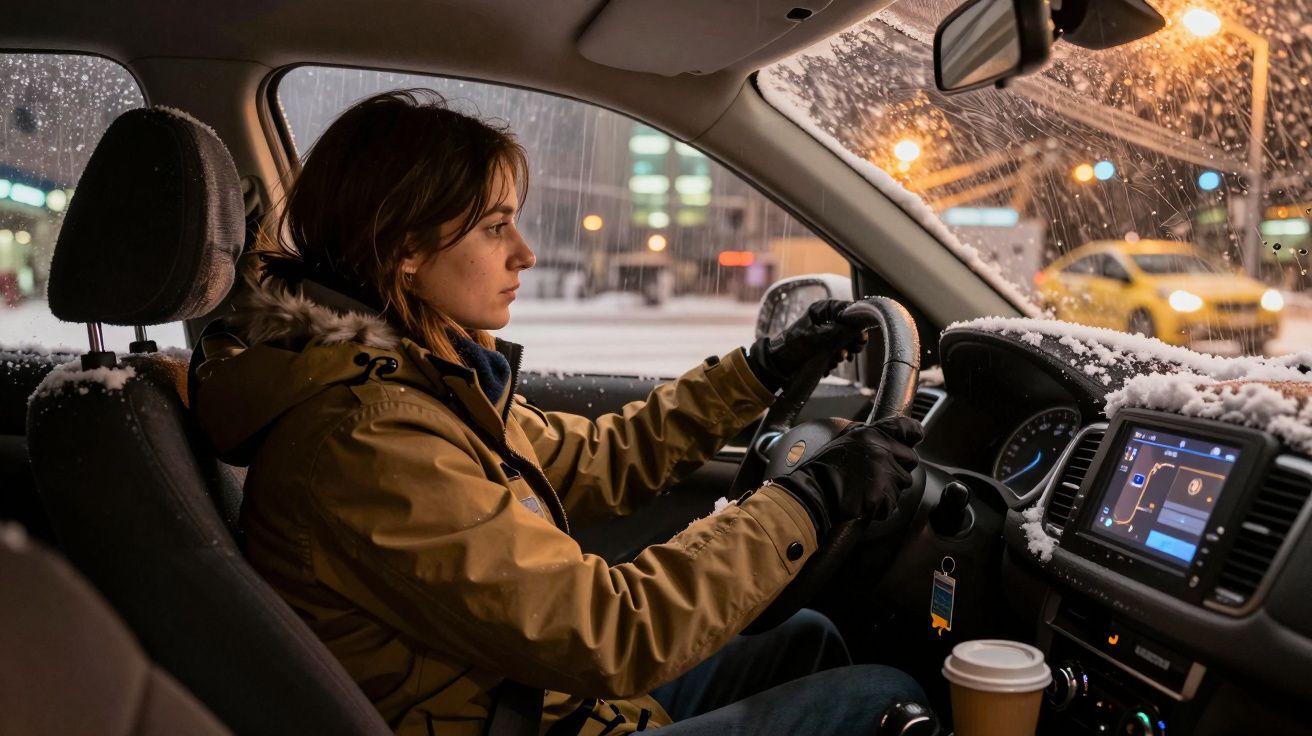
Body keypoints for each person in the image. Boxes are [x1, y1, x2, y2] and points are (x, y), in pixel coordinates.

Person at [190, 89, 927, 736]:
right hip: (512, 716)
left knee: (804, 636)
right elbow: (611, 631)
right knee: (884, 698)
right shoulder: (368, 437)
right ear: (405, 249)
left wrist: (759, 371)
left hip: (522, 695)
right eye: (494, 227)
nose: (526, 253)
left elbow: (598, 457)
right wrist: (808, 499)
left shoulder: (418, 377)